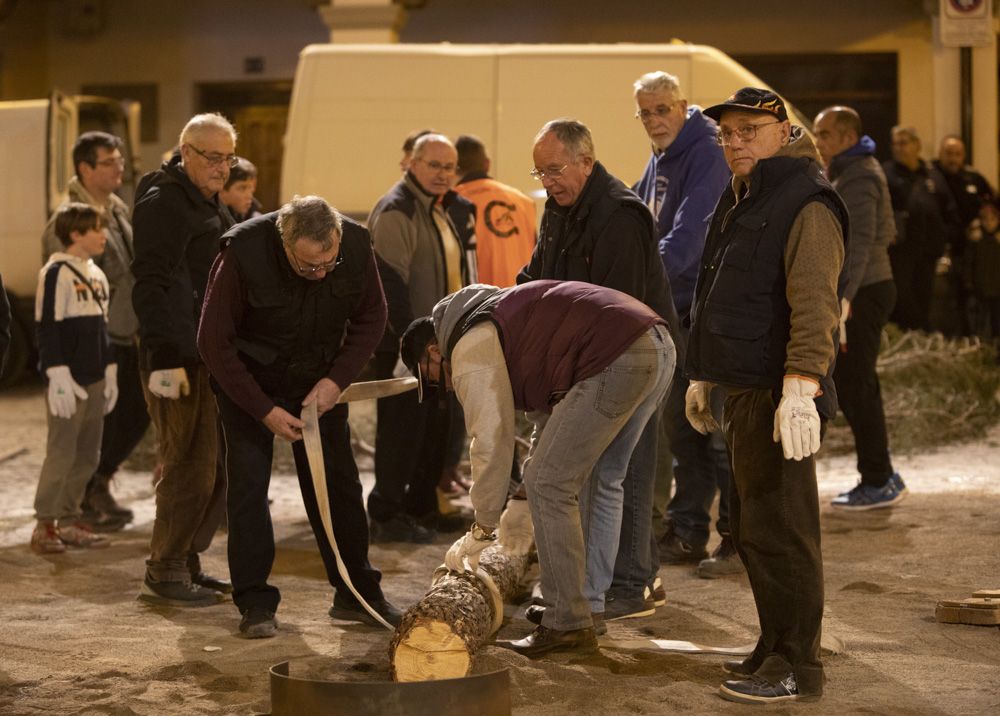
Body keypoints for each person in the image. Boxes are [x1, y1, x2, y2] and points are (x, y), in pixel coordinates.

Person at [400, 280, 674, 657]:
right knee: (601, 477)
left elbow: (490, 439)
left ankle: (567, 623)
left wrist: (482, 526)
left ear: (435, 350)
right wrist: (525, 479)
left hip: (617, 354)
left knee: (549, 484)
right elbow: (547, 418)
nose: (446, 387)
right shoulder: (496, 315)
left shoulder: (466, 344)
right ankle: (588, 606)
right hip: (654, 344)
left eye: (434, 377)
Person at [688, 88, 846, 704]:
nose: (736, 142)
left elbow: (815, 302)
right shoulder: (743, 198)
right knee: (755, 531)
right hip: (745, 387)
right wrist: (706, 373)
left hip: (781, 393)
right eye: (727, 134)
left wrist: (802, 386)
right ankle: (772, 644)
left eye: (750, 129)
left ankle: (797, 665)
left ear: (785, 130)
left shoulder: (805, 201)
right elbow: (721, 290)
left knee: (785, 531)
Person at [198, 195, 401, 638]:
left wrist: (336, 382)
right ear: (285, 243)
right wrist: (263, 410)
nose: (323, 273)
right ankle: (254, 603)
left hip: (318, 385)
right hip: (249, 384)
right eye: (309, 267)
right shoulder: (242, 252)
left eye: (330, 261)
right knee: (250, 488)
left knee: (340, 485)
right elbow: (213, 341)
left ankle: (356, 593)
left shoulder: (358, 243)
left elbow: (373, 316)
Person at [518, 118, 679, 622]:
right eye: (540, 172)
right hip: (590, 357)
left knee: (612, 474)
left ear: (586, 161)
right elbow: (539, 277)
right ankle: (596, 592)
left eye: (555, 170)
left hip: (630, 353)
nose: (547, 181)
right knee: (602, 476)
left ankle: (618, 588)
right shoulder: (558, 210)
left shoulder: (620, 214)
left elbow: (618, 308)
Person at [630, 71, 739, 577]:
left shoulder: (705, 152)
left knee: (718, 435)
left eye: (662, 109)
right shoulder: (662, 156)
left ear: (684, 106)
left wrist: (636, 285)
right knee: (682, 428)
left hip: (706, 314)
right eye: (645, 112)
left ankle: (739, 542)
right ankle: (689, 529)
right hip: (673, 313)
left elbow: (689, 236)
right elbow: (637, 214)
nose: (654, 120)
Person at [131, 113, 236, 606]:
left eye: (227, 158)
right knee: (188, 463)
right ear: (186, 152)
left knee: (213, 465)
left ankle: (187, 559)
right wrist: (165, 358)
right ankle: (166, 567)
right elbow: (150, 284)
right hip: (178, 356)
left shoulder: (207, 203)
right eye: (212, 157)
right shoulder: (165, 203)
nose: (221, 168)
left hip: (207, 352)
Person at [367, 133, 477, 543]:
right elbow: (389, 286)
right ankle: (387, 512)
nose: (443, 174)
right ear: (411, 164)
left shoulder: (437, 208)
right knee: (401, 430)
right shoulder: (398, 210)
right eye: (434, 165)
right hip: (408, 346)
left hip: (435, 345)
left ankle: (420, 508)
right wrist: (413, 347)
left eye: (449, 167)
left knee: (433, 427)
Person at [41, 131, 144, 532]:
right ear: (85, 168)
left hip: (125, 330)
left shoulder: (116, 208)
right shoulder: (69, 220)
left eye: (120, 160)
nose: (120, 167)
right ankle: (72, 504)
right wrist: (60, 361)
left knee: (132, 414)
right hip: (92, 339)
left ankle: (97, 482)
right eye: (110, 162)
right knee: (88, 426)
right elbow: (58, 291)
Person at [813, 106, 907, 511]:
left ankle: (878, 478)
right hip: (861, 291)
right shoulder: (846, 170)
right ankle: (880, 473)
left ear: (848, 137)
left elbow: (863, 242)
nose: (818, 140)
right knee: (861, 384)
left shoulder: (860, 175)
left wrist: (844, 298)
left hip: (865, 292)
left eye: (825, 133)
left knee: (856, 386)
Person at [31, 203, 117, 554]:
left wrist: (109, 369)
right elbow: (47, 326)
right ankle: (44, 522)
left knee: (87, 454)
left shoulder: (96, 273)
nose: (103, 235)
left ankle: (68, 518)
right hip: (69, 379)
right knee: (61, 452)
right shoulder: (56, 273)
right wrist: (56, 371)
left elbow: (103, 327)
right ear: (76, 234)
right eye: (96, 229)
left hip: (94, 378)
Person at [883, 126, 955, 332]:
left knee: (924, 295)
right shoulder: (886, 173)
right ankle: (914, 331)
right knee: (902, 295)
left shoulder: (932, 175)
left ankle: (920, 335)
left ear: (917, 146)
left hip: (928, 249)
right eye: (895, 143)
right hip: (900, 250)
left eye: (904, 142)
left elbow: (947, 208)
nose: (899, 148)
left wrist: (946, 236)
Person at [453, 134, 537, 288]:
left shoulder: (452, 203)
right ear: (487, 164)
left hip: (479, 303)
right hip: (522, 298)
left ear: (453, 167)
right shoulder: (524, 202)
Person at [933, 135, 995, 335]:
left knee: (969, 299)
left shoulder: (973, 178)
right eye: (948, 153)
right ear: (940, 153)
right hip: (938, 251)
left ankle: (970, 339)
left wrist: (983, 223)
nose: (953, 159)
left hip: (969, 253)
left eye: (957, 154)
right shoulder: (931, 176)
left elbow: (992, 204)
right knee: (941, 302)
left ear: (964, 156)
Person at [963, 197, 1000, 352]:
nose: (989, 223)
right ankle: (981, 347)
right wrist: (969, 283)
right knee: (980, 322)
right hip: (981, 289)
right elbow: (968, 264)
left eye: (993, 220)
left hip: (997, 290)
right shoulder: (976, 240)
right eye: (985, 220)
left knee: (996, 322)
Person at [219, 157, 262, 223]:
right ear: (222, 190)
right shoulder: (212, 221)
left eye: (250, 188)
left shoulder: (255, 219)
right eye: (242, 188)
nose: (249, 196)